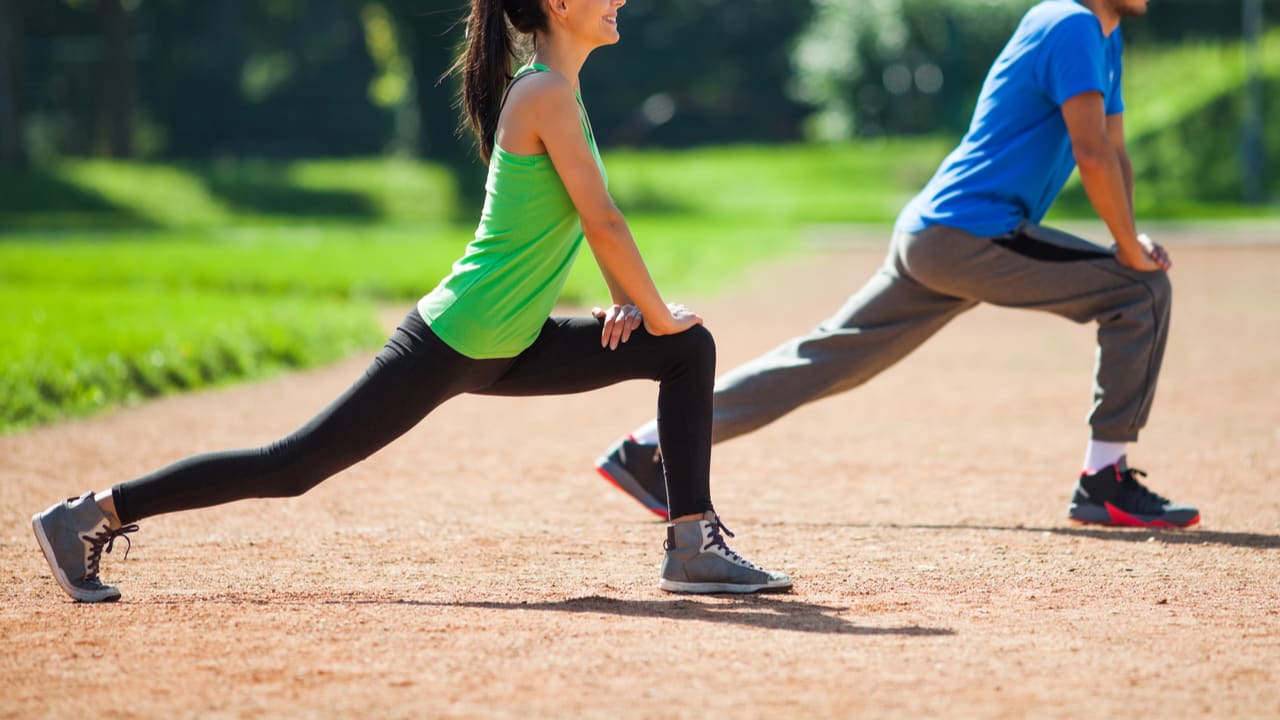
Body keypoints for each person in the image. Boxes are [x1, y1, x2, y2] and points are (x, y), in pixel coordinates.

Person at [31, 0, 791, 604]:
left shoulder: (564, 92)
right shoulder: (545, 93)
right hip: (456, 337)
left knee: (686, 352)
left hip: (510, 342)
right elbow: (603, 222)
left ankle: (690, 544)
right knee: (294, 466)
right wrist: (652, 310)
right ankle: (91, 514)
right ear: (560, 4)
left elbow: (589, 222)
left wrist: (635, 306)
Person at [596, 0, 1199, 529]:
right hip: (971, 234)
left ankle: (648, 449)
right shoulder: (1069, 23)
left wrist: (1132, 237)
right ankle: (1105, 479)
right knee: (1139, 293)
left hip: (940, 233)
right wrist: (1130, 254)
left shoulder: (1102, 36)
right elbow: (1090, 152)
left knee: (828, 358)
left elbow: (1113, 149)